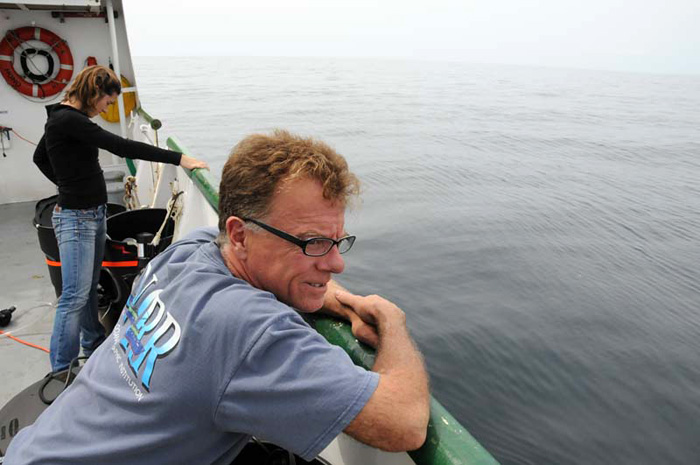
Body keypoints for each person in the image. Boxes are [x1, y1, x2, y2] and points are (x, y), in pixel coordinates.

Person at [5, 130, 429, 464]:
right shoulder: (251, 331)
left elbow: (288, 277)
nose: (337, 264)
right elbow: (406, 423)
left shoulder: (192, 250)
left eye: (338, 242)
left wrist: (341, 301)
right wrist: (390, 319)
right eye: (313, 242)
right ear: (241, 234)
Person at [32, 65, 208, 374]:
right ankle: (61, 371)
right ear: (95, 92)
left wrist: (67, 181)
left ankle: (93, 344)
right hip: (77, 219)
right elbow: (121, 146)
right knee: (74, 295)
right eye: (108, 102)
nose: (107, 108)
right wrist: (178, 158)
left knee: (86, 290)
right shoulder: (69, 120)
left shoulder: (63, 119)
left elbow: (39, 158)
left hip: (91, 216)